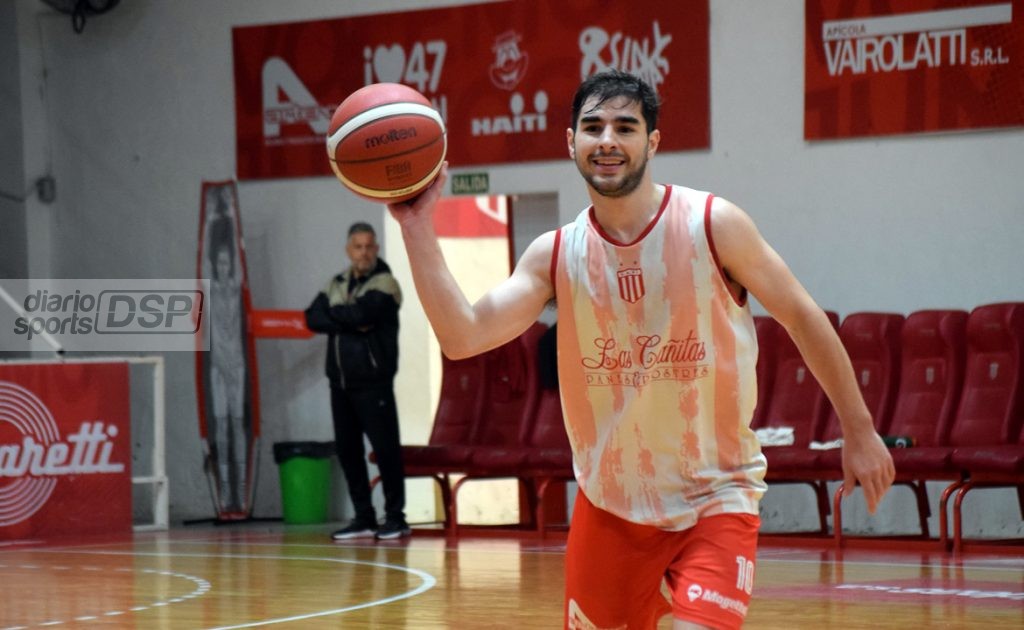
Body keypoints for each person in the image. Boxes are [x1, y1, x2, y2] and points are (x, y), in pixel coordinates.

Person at [388, 70, 895, 628]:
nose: (607, 140)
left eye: (625, 127)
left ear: (652, 142)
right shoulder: (555, 254)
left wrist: (860, 430)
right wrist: (416, 226)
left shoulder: (713, 225)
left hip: (716, 497)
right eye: (593, 127)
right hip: (610, 507)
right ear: (571, 142)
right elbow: (462, 337)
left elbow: (802, 315)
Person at [305, 222, 409, 541]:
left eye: (368, 246)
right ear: (348, 250)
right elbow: (312, 317)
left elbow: (364, 314)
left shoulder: (386, 284)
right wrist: (348, 318)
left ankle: (396, 517)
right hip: (340, 384)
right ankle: (364, 517)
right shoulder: (337, 283)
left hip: (373, 382)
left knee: (385, 450)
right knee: (348, 451)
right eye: (358, 247)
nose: (363, 253)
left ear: (376, 249)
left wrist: (338, 317)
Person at [205, 188, 249, 515]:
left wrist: (232, 217)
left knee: (237, 423)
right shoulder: (211, 289)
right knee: (221, 427)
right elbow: (203, 263)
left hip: (237, 364)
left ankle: (241, 491)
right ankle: (225, 491)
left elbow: (239, 262)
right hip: (218, 367)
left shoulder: (234, 289)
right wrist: (209, 221)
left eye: (226, 263)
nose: (222, 266)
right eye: (218, 262)